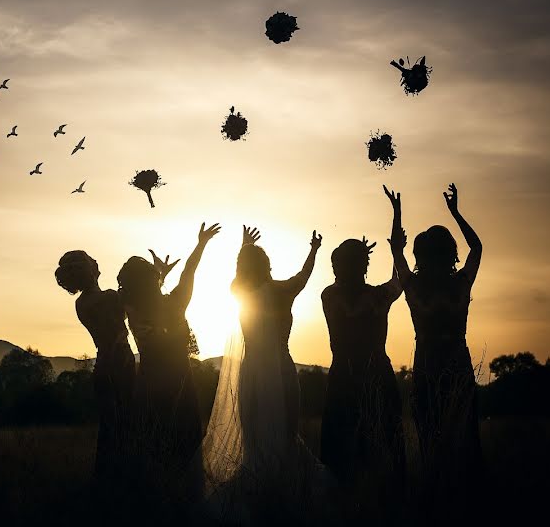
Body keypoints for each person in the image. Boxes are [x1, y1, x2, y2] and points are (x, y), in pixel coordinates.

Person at [203, 226, 336, 524]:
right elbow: (304, 276)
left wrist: (243, 247)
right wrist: (314, 250)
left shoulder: (237, 290)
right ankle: (284, 493)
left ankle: (260, 492)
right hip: (281, 368)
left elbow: (241, 274)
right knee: (287, 433)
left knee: (254, 437)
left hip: (251, 371)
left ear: (241, 267)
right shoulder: (281, 291)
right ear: (267, 265)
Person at [384, 183, 483, 519]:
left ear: (421, 256)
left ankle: (435, 507)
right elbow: (478, 247)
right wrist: (455, 212)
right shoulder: (461, 283)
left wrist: (397, 213)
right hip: (457, 366)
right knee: (465, 443)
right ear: (450, 253)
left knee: (431, 445)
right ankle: (465, 507)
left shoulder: (413, 285)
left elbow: (396, 249)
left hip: (426, 367)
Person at [117, 222, 221, 503]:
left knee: (153, 447)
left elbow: (139, 292)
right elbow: (190, 271)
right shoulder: (176, 303)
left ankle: (154, 504)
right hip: (179, 385)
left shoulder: (128, 309)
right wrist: (201, 243)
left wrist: (157, 276)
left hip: (148, 385)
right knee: (185, 446)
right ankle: (186, 504)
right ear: (152, 282)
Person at [320, 235, 405, 516]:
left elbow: (341, 280)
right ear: (364, 265)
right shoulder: (378, 297)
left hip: (342, 377)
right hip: (376, 376)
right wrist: (396, 252)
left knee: (340, 451)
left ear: (337, 267)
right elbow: (399, 282)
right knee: (382, 448)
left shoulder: (328, 296)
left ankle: (342, 510)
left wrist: (355, 255)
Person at [55, 251, 135, 481]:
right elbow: (136, 301)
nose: (96, 261)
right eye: (91, 260)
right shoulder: (107, 298)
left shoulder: (82, 303)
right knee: (124, 426)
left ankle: (106, 483)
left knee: (110, 430)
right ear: (88, 270)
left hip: (104, 365)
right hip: (118, 364)